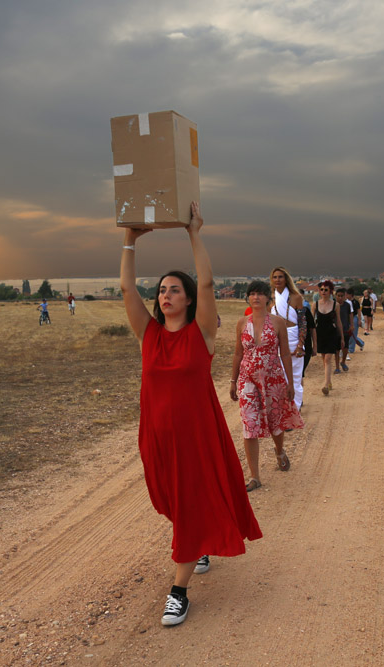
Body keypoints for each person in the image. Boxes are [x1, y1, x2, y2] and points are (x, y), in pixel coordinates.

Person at [120, 202, 262, 627]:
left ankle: (178, 592)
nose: (166, 295)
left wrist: (193, 232)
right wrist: (129, 240)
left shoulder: (203, 334)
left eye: (174, 290)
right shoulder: (148, 334)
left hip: (196, 436)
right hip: (158, 437)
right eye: (161, 290)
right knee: (170, 503)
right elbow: (128, 290)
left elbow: (207, 281)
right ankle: (197, 540)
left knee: (189, 502)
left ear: (187, 298)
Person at [231, 281, 303, 492]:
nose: (256, 297)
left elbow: (285, 354)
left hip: (273, 379)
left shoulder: (278, 322)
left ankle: (279, 450)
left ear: (267, 298)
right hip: (248, 381)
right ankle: (255, 477)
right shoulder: (242, 323)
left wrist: (290, 383)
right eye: (252, 294)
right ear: (248, 298)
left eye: (260, 294)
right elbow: (237, 353)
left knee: (275, 421)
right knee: (249, 424)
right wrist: (233, 381)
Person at [269, 267, 306, 410]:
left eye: (280, 277)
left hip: (294, 338)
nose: (277, 280)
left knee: (295, 377)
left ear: (286, 279)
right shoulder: (269, 298)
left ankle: (294, 409)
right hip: (277, 340)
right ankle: (283, 410)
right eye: (275, 277)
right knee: (280, 378)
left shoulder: (296, 297)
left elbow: (303, 323)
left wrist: (300, 344)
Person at [313, 281, 344, 396]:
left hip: (332, 333)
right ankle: (329, 381)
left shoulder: (335, 305)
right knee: (323, 358)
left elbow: (339, 321)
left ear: (330, 291)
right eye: (321, 289)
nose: (323, 292)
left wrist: (342, 338)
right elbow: (311, 322)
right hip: (320, 333)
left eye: (326, 290)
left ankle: (325, 385)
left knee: (328, 359)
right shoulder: (315, 304)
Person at [334, 287, 351, 373]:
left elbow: (350, 315)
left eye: (342, 296)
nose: (340, 298)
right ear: (335, 296)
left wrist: (351, 326)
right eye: (338, 296)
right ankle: (337, 367)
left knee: (345, 348)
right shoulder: (333, 305)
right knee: (336, 350)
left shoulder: (347, 305)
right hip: (335, 331)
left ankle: (343, 362)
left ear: (345, 296)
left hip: (345, 330)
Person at [346, 288, 364, 354]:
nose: (346, 295)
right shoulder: (346, 302)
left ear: (351, 295)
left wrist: (359, 320)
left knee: (353, 334)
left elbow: (359, 312)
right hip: (347, 319)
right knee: (348, 334)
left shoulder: (355, 302)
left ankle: (351, 349)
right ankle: (361, 343)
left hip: (354, 318)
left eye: (347, 294)